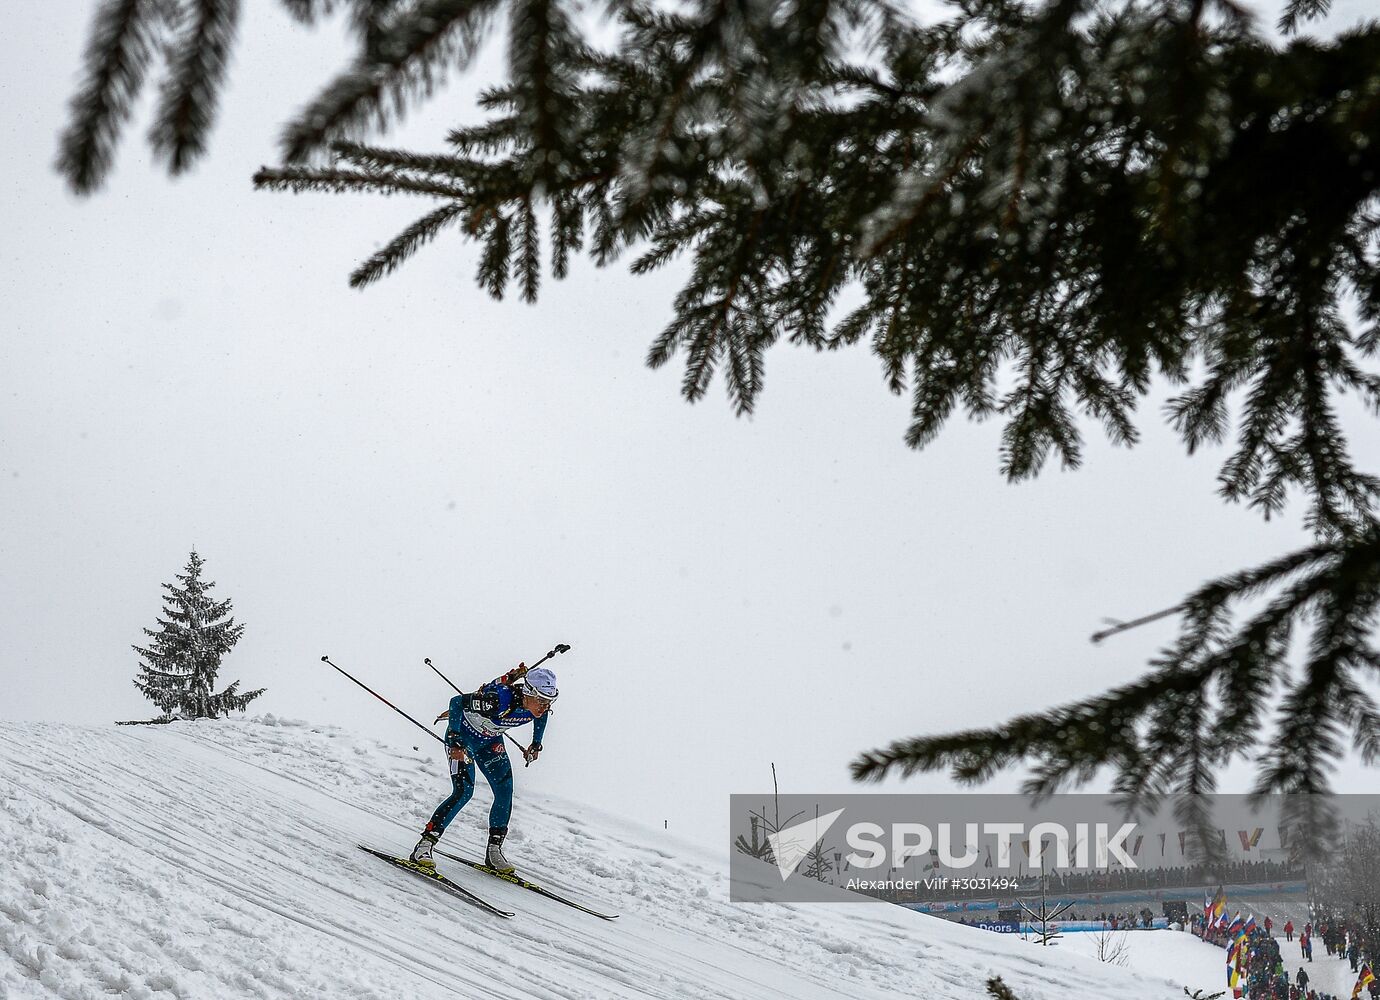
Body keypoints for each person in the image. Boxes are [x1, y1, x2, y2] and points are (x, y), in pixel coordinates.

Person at [408, 663, 557, 874]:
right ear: (528, 692)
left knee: (505, 793)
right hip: (464, 740)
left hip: (490, 744)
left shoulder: (538, 709)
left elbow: (540, 719)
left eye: (549, 702)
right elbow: (457, 702)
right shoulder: (497, 700)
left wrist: (536, 743)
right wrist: (454, 741)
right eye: (541, 701)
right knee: (464, 792)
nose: (544, 707)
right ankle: (424, 846)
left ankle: (494, 852)